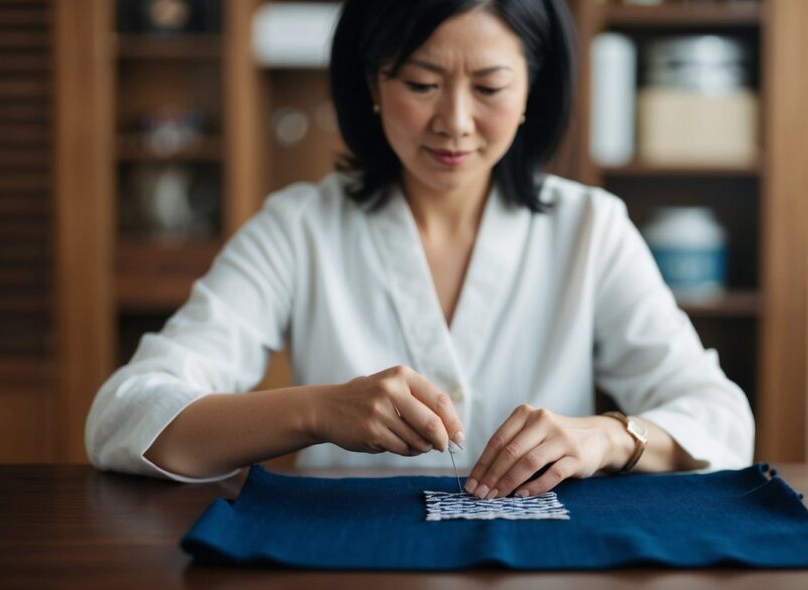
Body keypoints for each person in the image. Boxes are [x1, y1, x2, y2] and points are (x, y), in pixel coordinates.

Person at [85, 0, 754, 500]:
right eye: (421, 83)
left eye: (489, 87)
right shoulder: (298, 228)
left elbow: (720, 419)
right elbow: (125, 415)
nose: (454, 122)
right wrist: (317, 411)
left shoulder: (590, 228)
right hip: (346, 566)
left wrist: (609, 437)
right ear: (373, 85)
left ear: (532, 93)